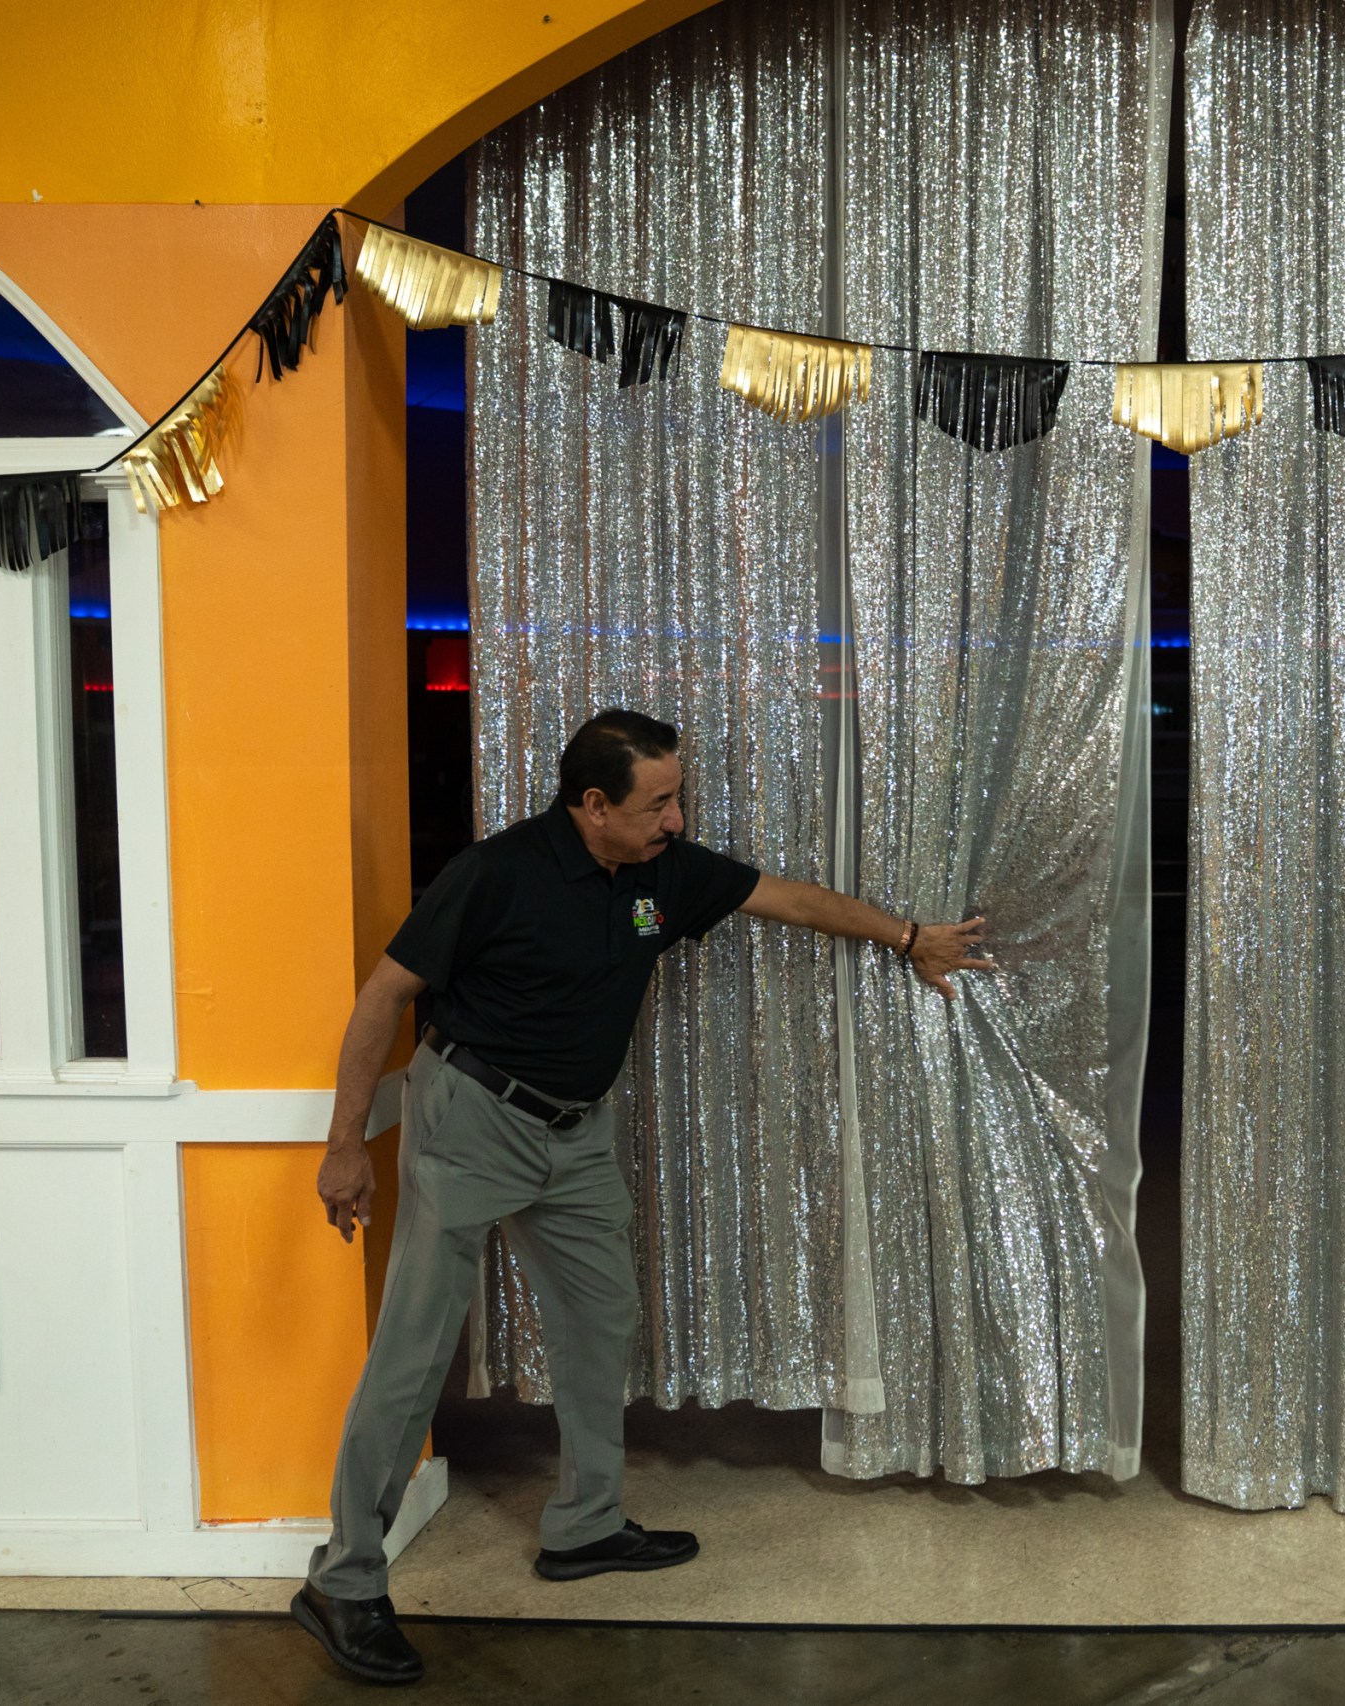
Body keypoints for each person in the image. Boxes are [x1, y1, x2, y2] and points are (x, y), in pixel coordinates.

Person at [291, 708, 988, 1686]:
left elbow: (790, 899)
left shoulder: (664, 874)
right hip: (472, 1117)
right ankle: (346, 1580)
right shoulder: (496, 873)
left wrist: (908, 936)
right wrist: (345, 1147)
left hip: (576, 1131)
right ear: (593, 804)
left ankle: (583, 1525)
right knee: (414, 1349)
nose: (676, 818)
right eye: (657, 802)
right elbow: (383, 997)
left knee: (601, 1318)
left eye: (678, 796)